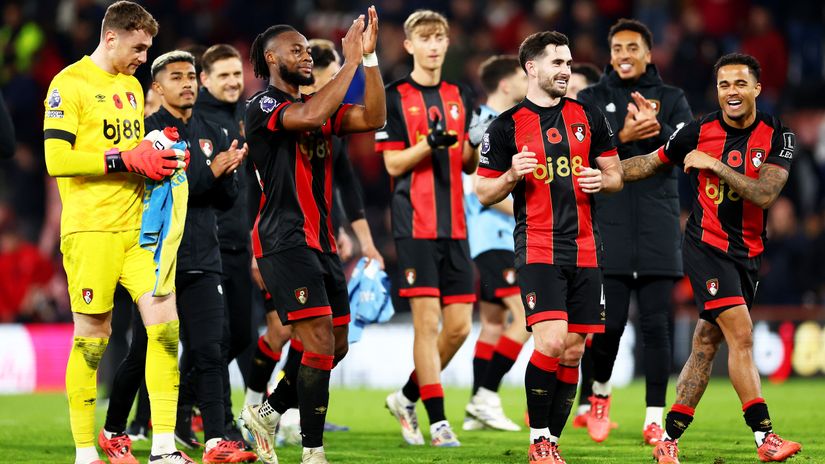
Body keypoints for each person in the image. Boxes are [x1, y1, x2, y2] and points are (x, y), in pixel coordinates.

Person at [620, 53, 802, 464]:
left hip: (749, 253)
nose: (731, 92)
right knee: (742, 335)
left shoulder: (778, 135)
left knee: (704, 343)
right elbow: (651, 162)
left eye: (740, 84)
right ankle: (765, 438)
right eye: (724, 85)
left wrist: (713, 165)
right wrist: (604, 172)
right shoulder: (698, 130)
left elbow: (765, 194)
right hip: (706, 245)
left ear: (757, 88)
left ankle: (668, 440)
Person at [42, 2, 192, 463]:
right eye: (139, 47)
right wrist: (122, 159)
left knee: (166, 330)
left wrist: (157, 155)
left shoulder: (130, 87)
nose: (144, 58)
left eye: (148, 49)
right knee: (93, 338)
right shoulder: (69, 84)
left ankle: (163, 448)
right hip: (91, 231)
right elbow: (57, 161)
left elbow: (132, 152)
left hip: (137, 231)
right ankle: (85, 451)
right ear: (112, 38)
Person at [239, 8, 386, 464]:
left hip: (321, 242)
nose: (306, 55)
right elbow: (307, 114)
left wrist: (372, 60)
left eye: (307, 49)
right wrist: (348, 62)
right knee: (319, 340)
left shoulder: (319, 107)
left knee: (336, 345)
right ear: (271, 56)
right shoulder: (262, 106)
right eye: (296, 49)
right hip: (284, 240)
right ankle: (311, 450)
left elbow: (375, 117)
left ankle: (265, 413)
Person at [100, 50, 256, 464]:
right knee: (143, 353)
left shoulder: (216, 130)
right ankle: (115, 429)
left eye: (191, 76)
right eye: (177, 77)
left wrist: (227, 174)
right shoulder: (149, 134)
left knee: (210, 350)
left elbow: (227, 199)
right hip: (156, 260)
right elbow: (178, 182)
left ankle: (216, 442)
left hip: (206, 256)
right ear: (157, 87)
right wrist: (216, 171)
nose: (187, 83)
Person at [475, 31, 623, 464]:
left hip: (586, 248)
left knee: (575, 348)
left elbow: (614, 173)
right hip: (538, 245)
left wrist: (604, 180)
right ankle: (538, 437)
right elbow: (483, 191)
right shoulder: (505, 126)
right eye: (557, 62)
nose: (565, 70)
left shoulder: (589, 116)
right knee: (553, 341)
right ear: (531, 69)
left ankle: (552, 443)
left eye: (568, 63)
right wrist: (509, 177)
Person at [575, 18, 694, 444]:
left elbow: (688, 152)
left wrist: (659, 130)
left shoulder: (672, 98)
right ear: (610, 54)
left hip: (659, 227)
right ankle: (600, 395)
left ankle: (654, 417)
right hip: (608, 227)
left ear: (648, 53)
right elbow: (582, 157)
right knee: (609, 328)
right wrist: (624, 136)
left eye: (632, 48)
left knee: (657, 327)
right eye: (618, 48)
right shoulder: (591, 99)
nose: (624, 55)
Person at [377, 9, 477, 448]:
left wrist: (474, 146)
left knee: (458, 327)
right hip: (414, 223)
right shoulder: (395, 96)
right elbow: (392, 163)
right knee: (428, 324)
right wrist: (427, 144)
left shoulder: (460, 94)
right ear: (410, 45)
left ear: (447, 43)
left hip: (455, 222)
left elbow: (470, 161)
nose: (434, 45)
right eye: (425, 38)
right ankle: (437, 421)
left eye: (440, 37)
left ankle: (405, 395)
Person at [461, 55, 529, 433]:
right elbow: (479, 189)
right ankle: (487, 394)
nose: (526, 80)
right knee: (525, 318)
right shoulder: (487, 125)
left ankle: (476, 405)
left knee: (491, 323)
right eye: (522, 74)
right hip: (493, 235)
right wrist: (529, 207)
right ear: (505, 84)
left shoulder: (492, 122)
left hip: (490, 237)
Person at [193, 42, 254, 446]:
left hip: (242, 243)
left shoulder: (249, 116)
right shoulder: (196, 120)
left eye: (237, 74)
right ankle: (221, 420)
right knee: (215, 340)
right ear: (205, 80)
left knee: (240, 336)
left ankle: (187, 405)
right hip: (207, 245)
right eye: (224, 75)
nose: (234, 82)